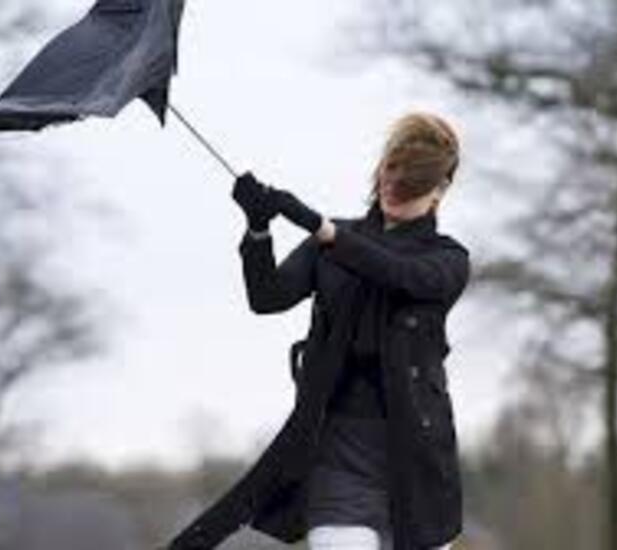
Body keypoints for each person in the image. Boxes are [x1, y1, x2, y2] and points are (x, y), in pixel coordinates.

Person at [168, 112, 468, 550]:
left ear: (439, 190)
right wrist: (258, 228)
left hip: (417, 469)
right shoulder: (330, 242)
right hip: (337, 456)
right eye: (389, 173)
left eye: (409, 186)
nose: (392, 188)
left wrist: (320, 228)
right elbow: (268, 297)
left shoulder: (447, 260)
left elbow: (399, 275)